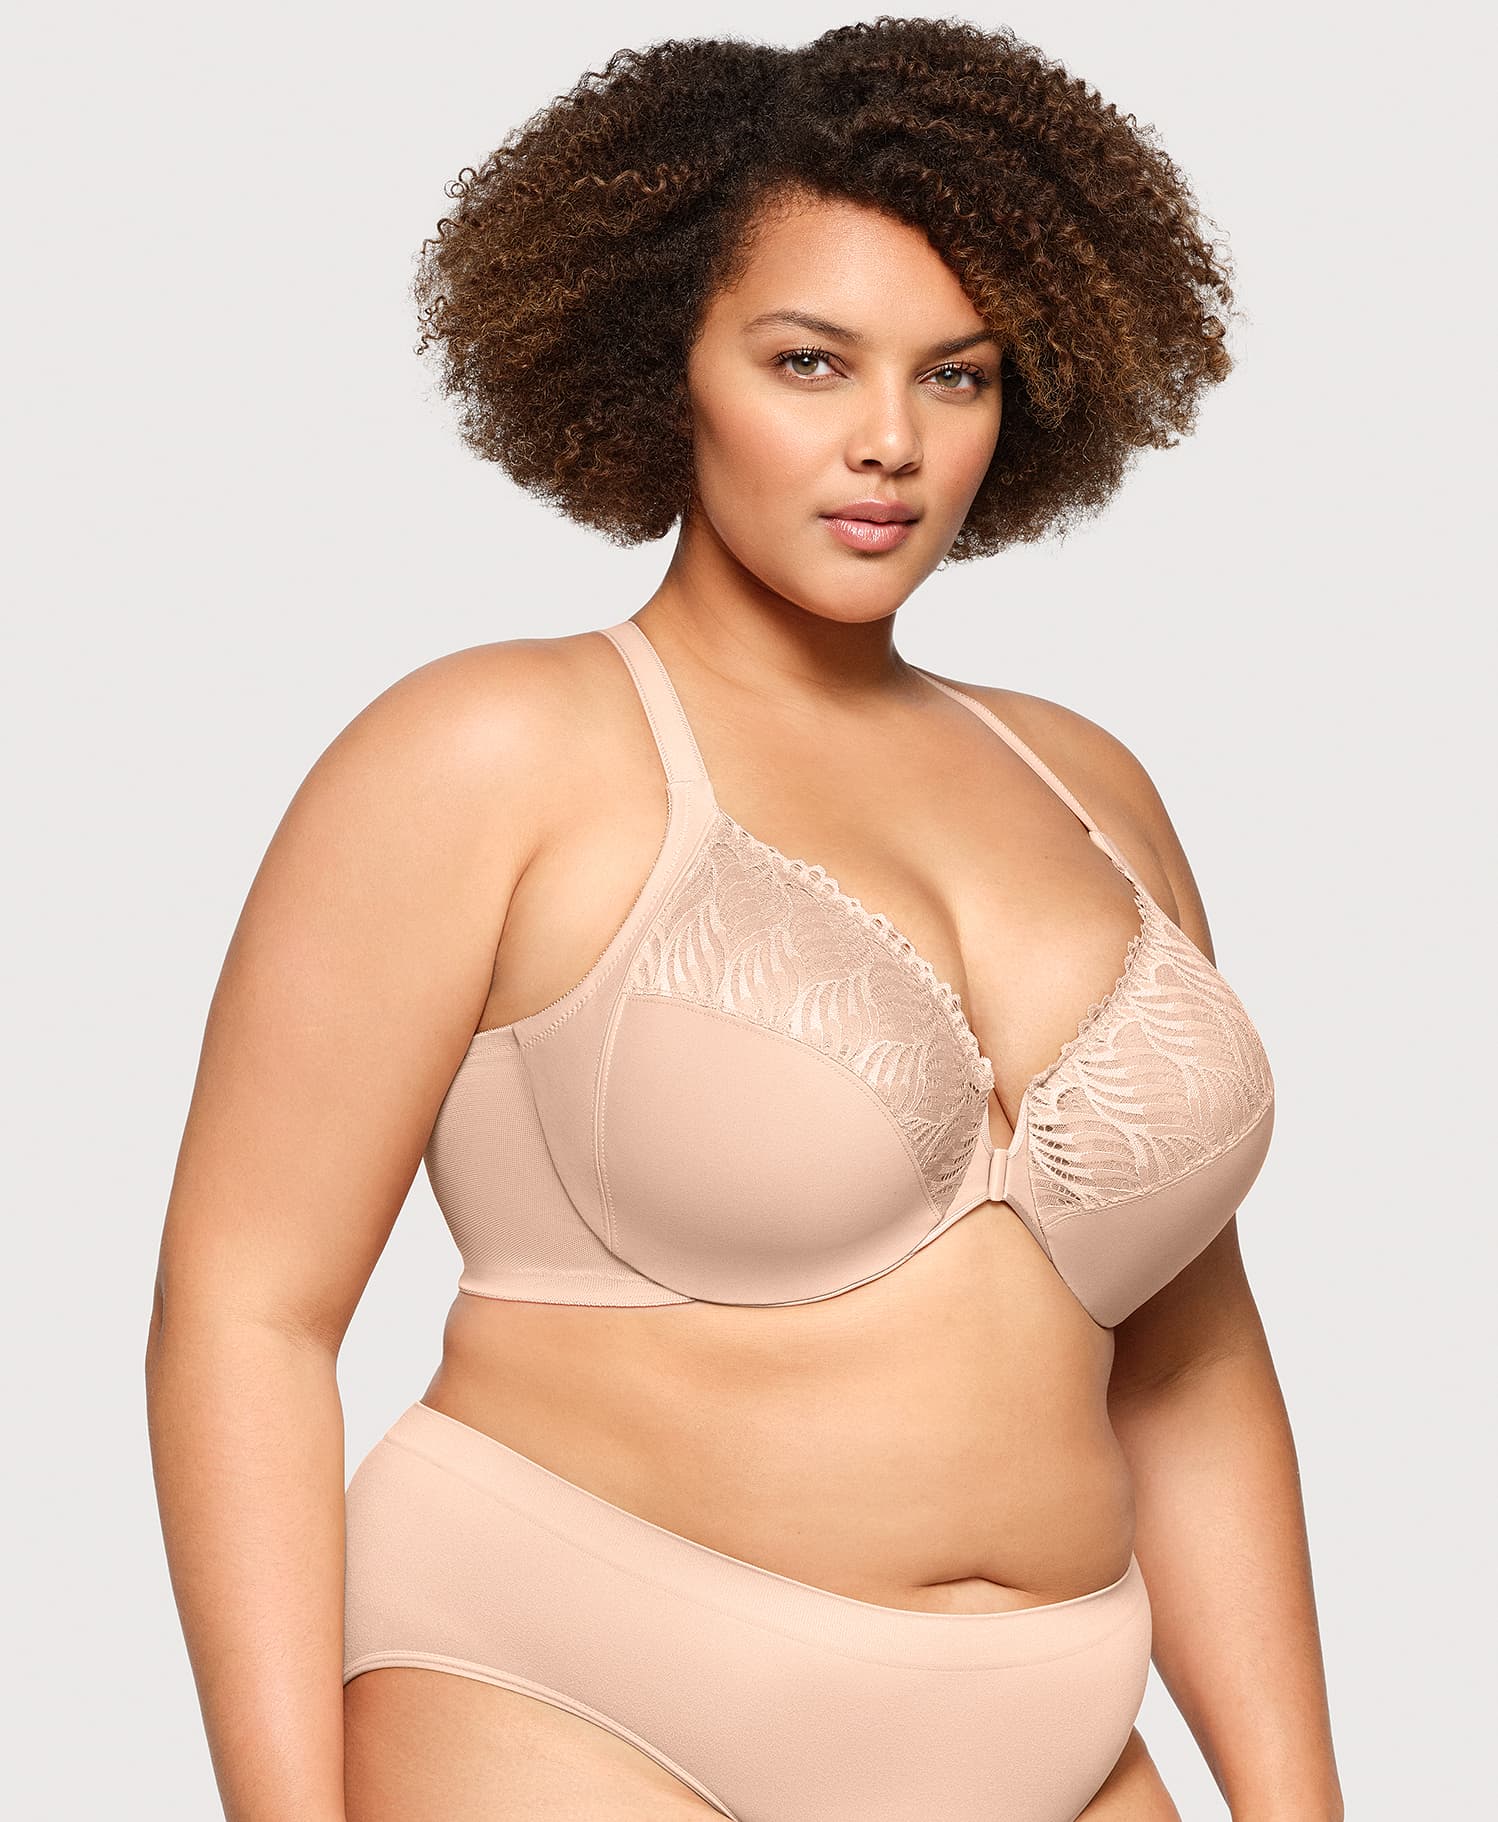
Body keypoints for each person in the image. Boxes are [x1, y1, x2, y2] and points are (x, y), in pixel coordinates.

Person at [145, 19, 1343, 1822]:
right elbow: (244, 1309)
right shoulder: (489, 749)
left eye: (955, 376)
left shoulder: (1088, 784)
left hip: (1055, 1730)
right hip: (573, 1693)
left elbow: (1187, 1366)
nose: (888, 444)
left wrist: (1299, 1800)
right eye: (808, 362)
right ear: (665, 364)